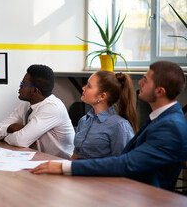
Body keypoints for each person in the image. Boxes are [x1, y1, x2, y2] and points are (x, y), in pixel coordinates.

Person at [31, 61, 187, 191]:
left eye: (146, 80)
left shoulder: (170, 126)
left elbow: (126, 163)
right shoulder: (161, 118)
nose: (140, 83)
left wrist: (63, 168)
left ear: (160, 91)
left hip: (144, 196)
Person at [0, 64, 75, 159]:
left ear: (35, 90)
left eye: (23, 84)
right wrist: (11, 128)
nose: (19, 87)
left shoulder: (53, 108)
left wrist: (6, 137)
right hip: (36, 157)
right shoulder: (26, 104)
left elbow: (20, 141)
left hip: (58, 162)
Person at [72, 71, 137, 160]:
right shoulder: (84, 120)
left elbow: (123, 163)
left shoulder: (119, 125)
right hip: (79, 171)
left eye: (89, 86)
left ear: (102, 96)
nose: (83, 88)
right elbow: (76, 155)